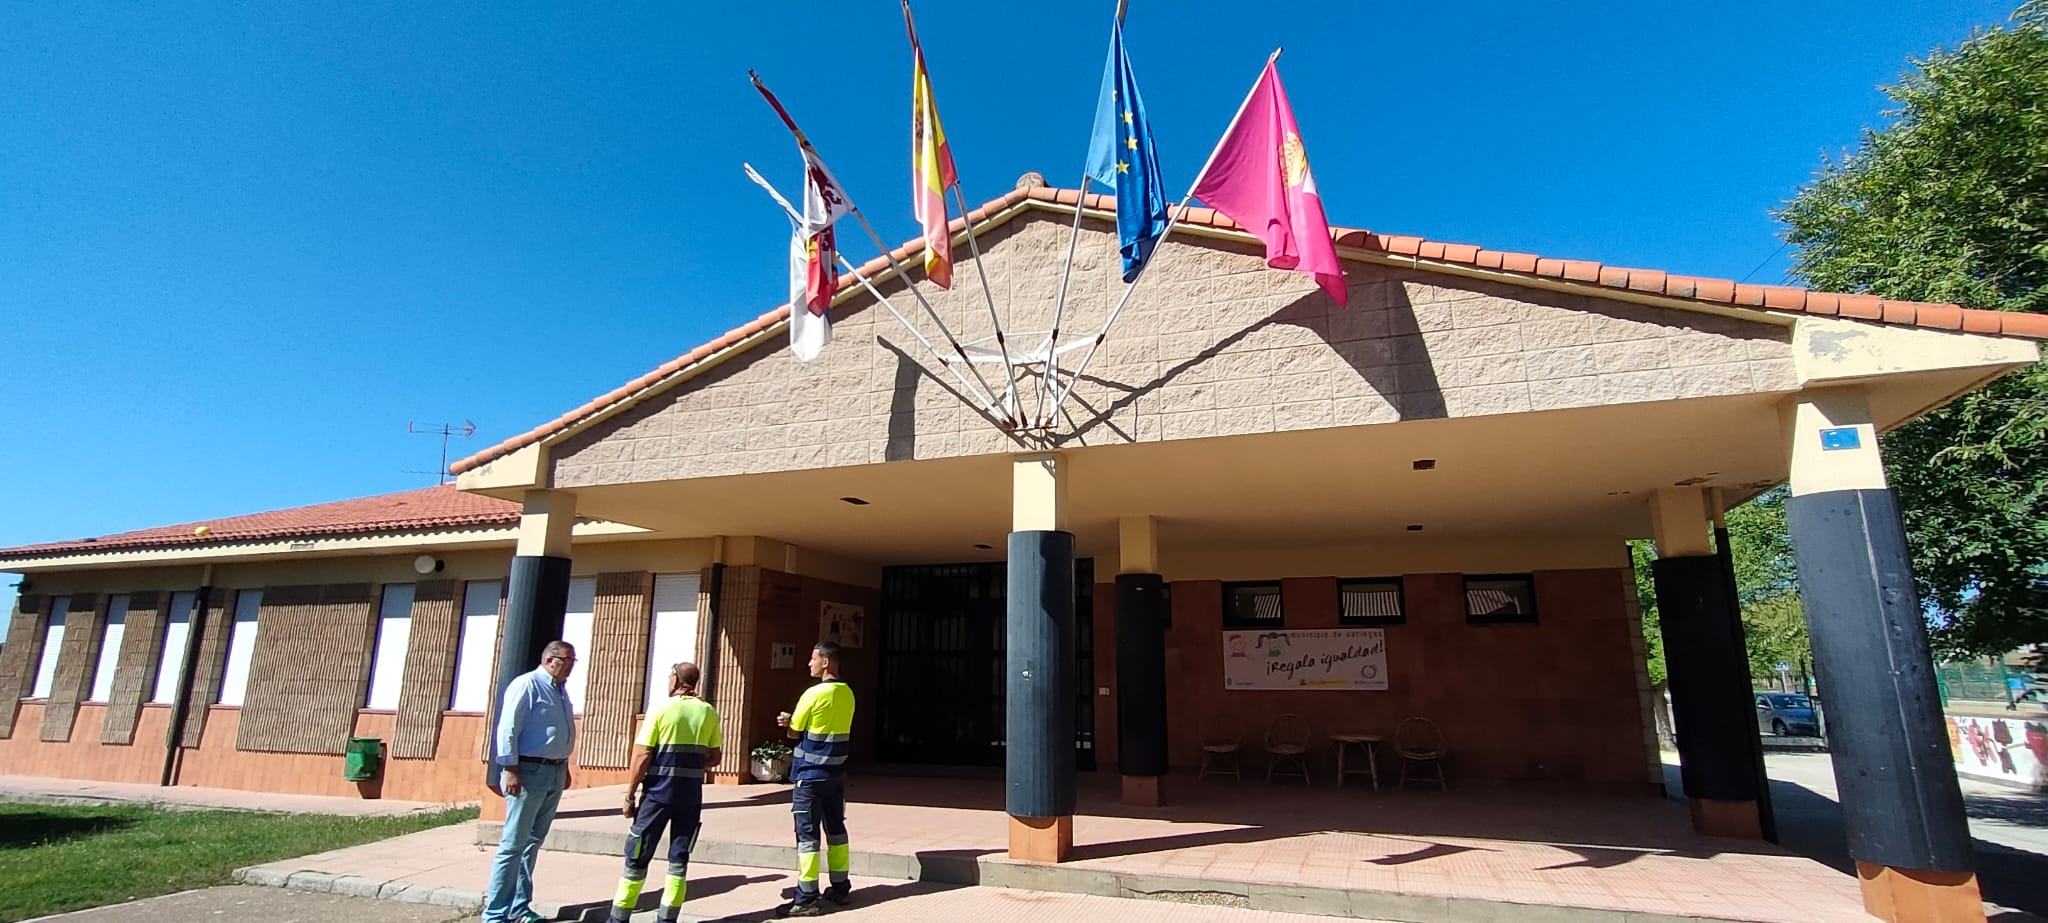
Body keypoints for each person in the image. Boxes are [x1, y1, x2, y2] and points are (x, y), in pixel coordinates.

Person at [606, 662, 722, 923]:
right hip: (690, 797)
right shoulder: (708, 711)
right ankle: (668, 918)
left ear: (677, 681)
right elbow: (715, 757)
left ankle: (619, 917)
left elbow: (643, 755)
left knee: (636, 855)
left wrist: (629, 793)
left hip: (657, 795)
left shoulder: (660, 709)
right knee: (679, 860)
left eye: (669, 676)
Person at [483, 640, 577, 923]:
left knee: (532, 842)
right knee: (513, 844)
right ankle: (495, 914)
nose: (571, 665)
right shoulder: (527, 685)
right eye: (567, 659)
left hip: (554, 771)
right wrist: (510, 768)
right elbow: (508, 728)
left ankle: (520, 907)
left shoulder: (560, 690)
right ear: (550, 659)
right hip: (528, 772)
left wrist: (563, 763)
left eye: (573, 660)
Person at [774, 641, 856, 917]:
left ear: (826, 663)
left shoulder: (812, 694)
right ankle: (840, 887)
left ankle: (807, 896)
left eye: (813, 658)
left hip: (809, 775)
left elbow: (795, 731)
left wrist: (788, 722)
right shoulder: (848, 694)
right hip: (836, 774)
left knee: (807, 836)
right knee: (836, 831)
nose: (809, 663)